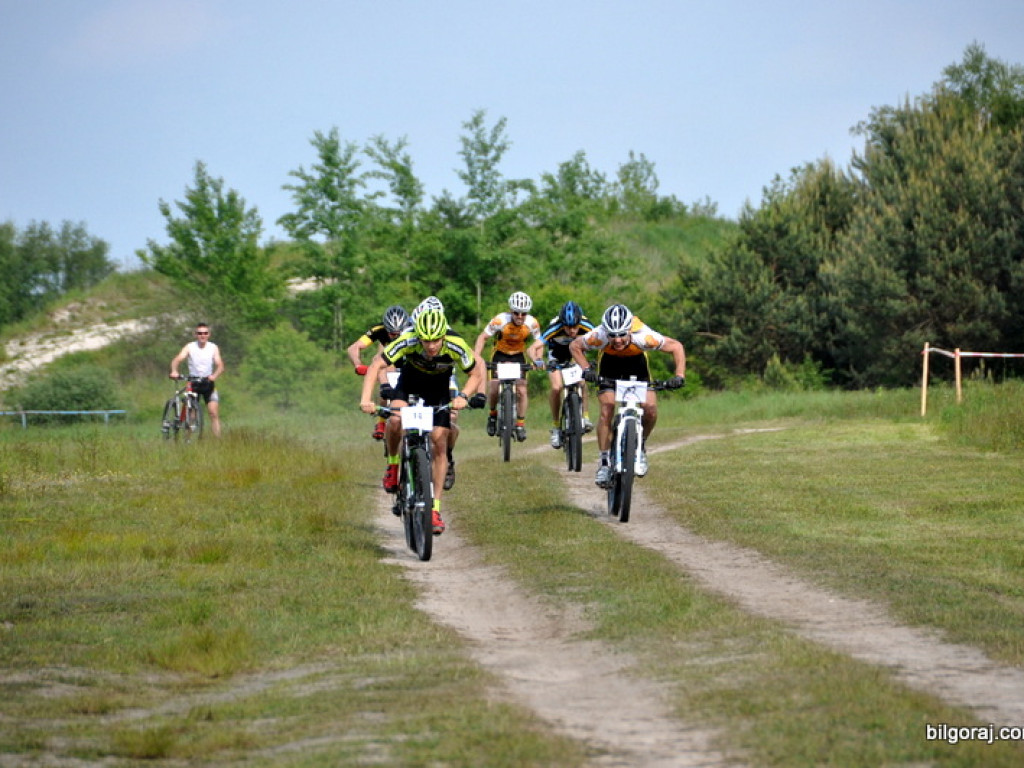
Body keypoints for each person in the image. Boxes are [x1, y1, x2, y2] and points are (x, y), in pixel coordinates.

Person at [359, 308, 485, 535]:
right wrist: (365, 399)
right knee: (395, 421)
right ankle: (393, 465)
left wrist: (463, 396)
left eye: (436, 340)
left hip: (438, 390)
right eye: (425, 340)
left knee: (439, 439)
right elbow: (377, 364)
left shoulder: (456, 344)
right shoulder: (408, 340)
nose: (431, 346)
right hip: (409, 384)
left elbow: (476, 372)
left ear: (443, 336)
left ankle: (435, 509)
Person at [569, 304, 685, 487]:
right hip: (609, 366)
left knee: (651, 410)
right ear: (606, 332)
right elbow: (575, 346)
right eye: (612, 335)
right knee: (606, 409)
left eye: (622, 334)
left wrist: (679, 376)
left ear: (630, 330)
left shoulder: (644, 336)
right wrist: (586, 369)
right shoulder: (598, 336)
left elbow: (676, 346)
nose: (617, 340)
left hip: (636, 367)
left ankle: (641, 445)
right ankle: (605, 462)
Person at [473, 291, 543, 441]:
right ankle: (492, 416)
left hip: (519, 355)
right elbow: (482, 337)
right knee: (493, 386)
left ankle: (520, 424)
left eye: (523, 314)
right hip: (500, 354)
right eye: (516, 313)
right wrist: (477, 358)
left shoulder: (532, 323)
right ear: (511, 311)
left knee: (522, 390)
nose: (520, 317)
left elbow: (539, 343)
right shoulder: (500, 320)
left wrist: (538, 360)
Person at [526, 300, 596, 449]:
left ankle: (585, 416)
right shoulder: (554, 327)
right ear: (562, 324)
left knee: (582, 382)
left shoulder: (588, 326)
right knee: (557, 387)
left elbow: (603, 342)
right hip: (556, 357)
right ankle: (556, 426)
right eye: (567, 327)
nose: (571, 331)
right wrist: (537, 360)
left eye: (575, 327)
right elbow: (532, 348)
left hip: (576, 355)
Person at [347, 305, 411, 440]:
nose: (396, 337)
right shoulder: (379, 330)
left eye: (399, 334)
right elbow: (354, 347)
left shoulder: (414, 330)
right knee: (379, 361)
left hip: (411, 363)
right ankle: (381, 422)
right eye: (392, 334)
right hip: (390, 364)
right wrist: (358, 364)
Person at [169, 322, 226, 438]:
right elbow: (178, 359)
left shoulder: (213, 347)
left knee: (213, 413)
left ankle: (218, 441)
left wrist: (214, 376)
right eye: (200, 333)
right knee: (192, 415)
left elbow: (220, 365)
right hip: (193, 383)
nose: (202, 335)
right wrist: (174, 370)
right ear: (195, 334)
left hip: (208, 383)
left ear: (209, 334)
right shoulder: (190, 346)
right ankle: (188, 440)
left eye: (205, 333)